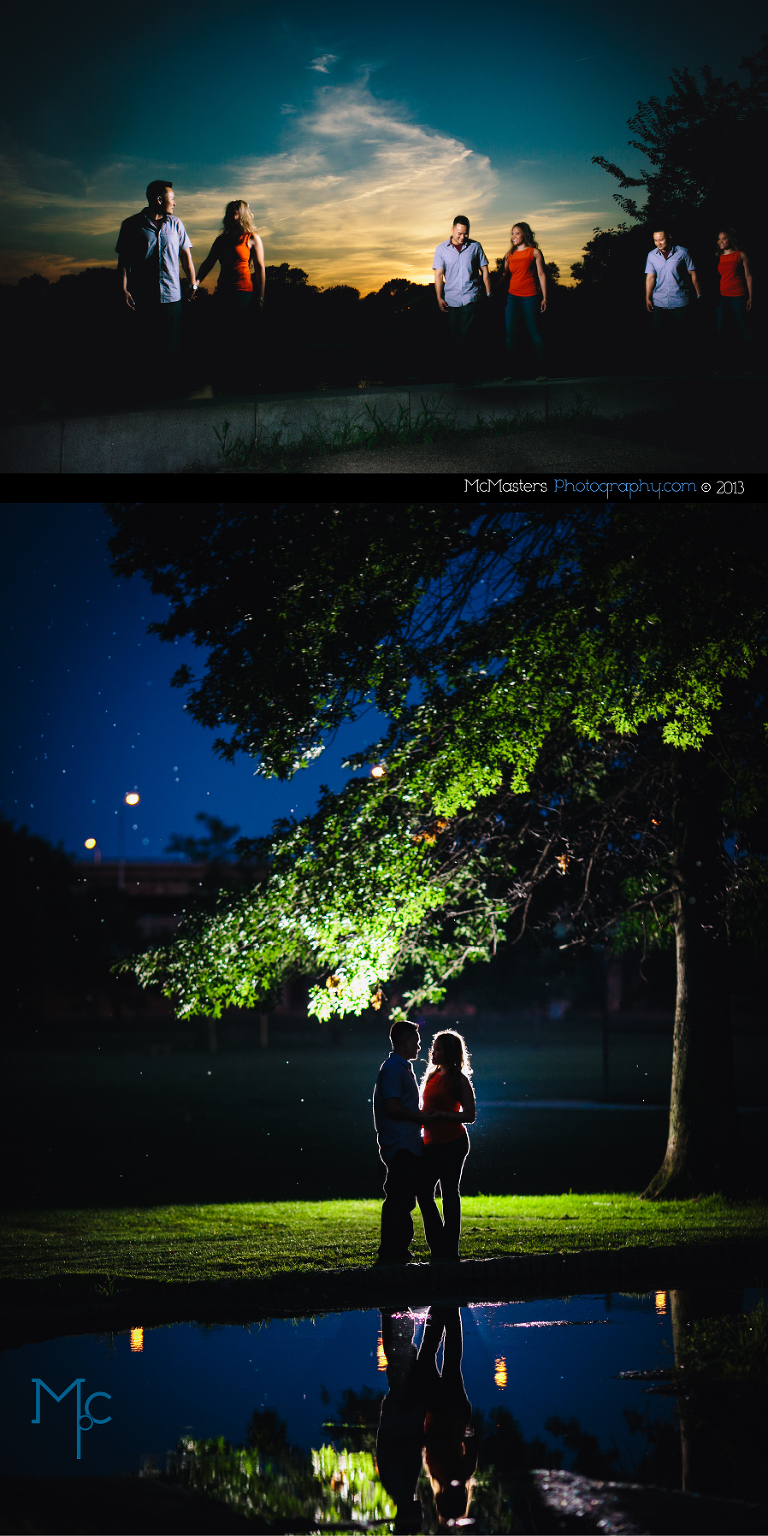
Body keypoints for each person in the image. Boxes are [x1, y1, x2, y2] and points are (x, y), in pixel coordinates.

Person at [372, 1019, 444, 1265]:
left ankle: (397, 1250)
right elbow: (392, 1106)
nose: (419, 1045)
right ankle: (393, 1252)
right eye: (416, 1040)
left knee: (402, 1198)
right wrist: (421, 1117)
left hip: (406, 1142)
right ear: (404, 1041)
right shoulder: (393, 1070)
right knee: (399, 1198)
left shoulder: (400, 1068)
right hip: (400, 1143)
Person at [116, 181, 197, 363]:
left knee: (171, 352)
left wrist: (193, 283)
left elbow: (186, 259)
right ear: (159, 199)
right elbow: (123, 263)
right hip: (143, 299)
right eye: (173, 199)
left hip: (172, 299)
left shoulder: (176, 224)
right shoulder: (131, 225)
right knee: (145, 351)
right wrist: (123, 290)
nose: (175, 203)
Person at [418, 1031, 476, 1264]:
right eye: (434, 1048)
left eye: (439, 1049)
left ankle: (449, 1250)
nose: (433, 1052)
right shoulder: (432, 1075)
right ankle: (439, 1244)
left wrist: (442, 1115)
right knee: (423, 1192)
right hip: (430, 1143)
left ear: (450, 1053)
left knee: (449, 1194)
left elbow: (470, 1115)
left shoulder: (458, 1079)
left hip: (453, 1143)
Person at [195, 201, 266, 388]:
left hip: (244, 294)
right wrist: (195, 283)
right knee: (224, 338)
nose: (228, 217)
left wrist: (260, 297)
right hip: (224, 294)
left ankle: (245, 384)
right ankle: (226, 385)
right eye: (227, 213)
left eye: (232, 213)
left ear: (241, 216)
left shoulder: (251, 238)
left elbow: (260, 269)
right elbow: (209, 262)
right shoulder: (221, 240)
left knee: (243, 338)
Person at [433, 216, 492, 381]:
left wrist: (488, 293)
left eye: (465, 234)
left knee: (467, 336)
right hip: (451, 299)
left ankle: (467, 375)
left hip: (471, 297)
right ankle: (459, 374)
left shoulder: (475, 246)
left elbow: (485, 271)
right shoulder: (441, 249)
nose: (462, 237)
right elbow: (438, 275)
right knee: (455, 337)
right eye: (459, 233)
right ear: (452, 230)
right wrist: (439, 297)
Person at [644, 228, 702, 370]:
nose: (658, 243)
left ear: (669, 237)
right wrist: (648, 297)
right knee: (660, 337)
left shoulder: (683, 252)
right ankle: (663, 368)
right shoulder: (652, 255)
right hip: (660, 301)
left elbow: (693, 274)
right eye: (656, 240)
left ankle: (686, 367)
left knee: (683, 336)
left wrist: (699, 294)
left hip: (680, 300)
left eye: (661, 239)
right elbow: (650, 277)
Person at [498, 222, 548, 381]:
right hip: (512, 297)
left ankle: (543, 372)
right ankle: (510, 373)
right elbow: (503, 276)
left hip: (530, 296)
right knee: (510, 335)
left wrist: (545, 297)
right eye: (512, 234)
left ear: (525, 234)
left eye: (517, 233)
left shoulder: (534, 252)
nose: (513, 237)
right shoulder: (509, 255)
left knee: (535, 334)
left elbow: (541, 275)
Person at [714, 228, 753, 371]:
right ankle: (722, 365)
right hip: (722, 297)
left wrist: (750, 298)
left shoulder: (740, 255)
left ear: (730, 239)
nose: (721, 241)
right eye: (719, 239)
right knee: (721, 330)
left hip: (738, 295)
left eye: (724, 238)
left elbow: (748, 276)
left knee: (742, 328)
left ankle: (748, 365)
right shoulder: (717, 256)